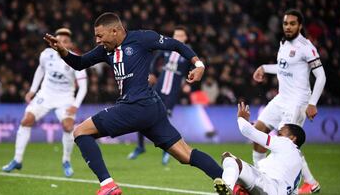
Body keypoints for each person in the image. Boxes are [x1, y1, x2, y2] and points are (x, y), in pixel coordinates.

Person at [44, 12, 223, 195]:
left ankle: (108, 185)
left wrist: (199, 65)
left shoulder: (143, 38)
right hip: (151, 108)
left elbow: (175, 44)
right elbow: (80, 63)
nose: (97, 40)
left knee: (80, 131)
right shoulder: (106, 50)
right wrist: (63, 51)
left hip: (136, 105)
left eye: (100, 35)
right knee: (185, 154)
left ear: (114, 31)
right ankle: (230, 180)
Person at [252, 9, 326, 194]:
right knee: (257, 131)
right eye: (286, 23)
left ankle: (311, 183)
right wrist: (264, 68)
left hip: (297, 101)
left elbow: (321, 76)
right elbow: (283, 67)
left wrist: (312, 103)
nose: (288, 27)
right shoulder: (283, 43)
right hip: (281, 98)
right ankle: (262, 176)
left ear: (300, 26)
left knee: (287, 145)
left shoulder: (306, 46)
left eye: (292, 23)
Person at [2, 28, 88, 178]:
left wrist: (75, 105)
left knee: (68, 126)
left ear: (70, 44)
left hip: (65, 98)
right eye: (59, 40)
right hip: (46, 95)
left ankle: (66, 161)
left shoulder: (76, 59)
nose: (61, 43)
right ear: (54, 42)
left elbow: (83, 87)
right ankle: (17, 159)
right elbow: (40, 70)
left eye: (65, 41)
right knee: (26, 120)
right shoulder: (46, 55)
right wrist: (32, 90)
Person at [127, 26, 193, 165]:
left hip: (172, 92)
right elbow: (154, 59)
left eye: (181, 35)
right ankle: (140, 146)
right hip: (158, 88)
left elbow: (193, 69)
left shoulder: (188, 53)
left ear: (185, 38)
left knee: (164, 120)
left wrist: (189, 84)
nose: (178, 38)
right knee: (143, 113)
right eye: (176, 35)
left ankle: (167, 152)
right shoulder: (168, 49)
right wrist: (152, 74)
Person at [214, 102, 306, 195]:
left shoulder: (286, 143)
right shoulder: (298, 165)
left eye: (284, 128)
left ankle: (227, 187)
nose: (279, 130)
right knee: (241, 185)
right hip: (268, 188)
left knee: (229, 158)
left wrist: (241, 118)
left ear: (293, 138)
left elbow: (247, 131)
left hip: (268, 187)